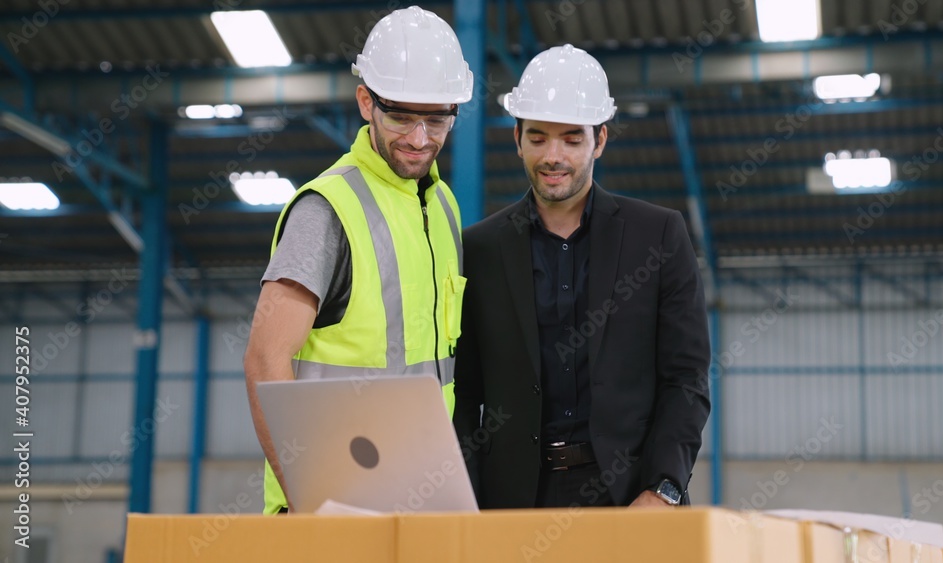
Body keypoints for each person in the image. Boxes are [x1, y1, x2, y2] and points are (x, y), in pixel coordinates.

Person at [453, 44, 710, 509]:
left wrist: (663, 488)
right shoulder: (480, 250)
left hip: (632, 497)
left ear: (600, 140)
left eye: (572, 139)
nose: (554, 156)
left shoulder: (658, 237)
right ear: (517, 139)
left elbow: (686, 378)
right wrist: (467, 498)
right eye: (538, 138)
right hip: (513, 502)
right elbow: (464, 393)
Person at [243, 6, 473, 515]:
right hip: (332, 509)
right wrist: (308, 503)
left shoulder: (443, 208)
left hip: (423, 503)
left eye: (436, 118)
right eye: (401, 116)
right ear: (366, 101)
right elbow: (264, 359)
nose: (419, 138)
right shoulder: (326, 210)